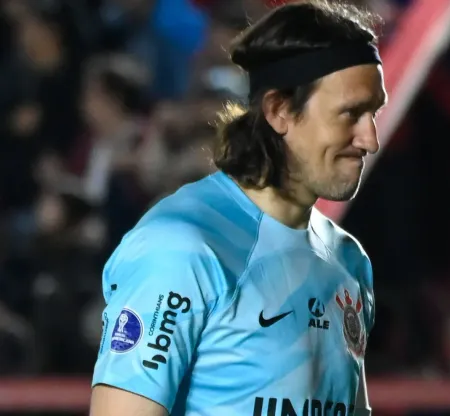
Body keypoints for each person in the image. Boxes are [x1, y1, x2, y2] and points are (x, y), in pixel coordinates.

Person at [89, 1, 387, 415]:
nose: (370, 139)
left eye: (373, 113)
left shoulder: (348, 260)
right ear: (280, 111)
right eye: (351, 114)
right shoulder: (181, 246)